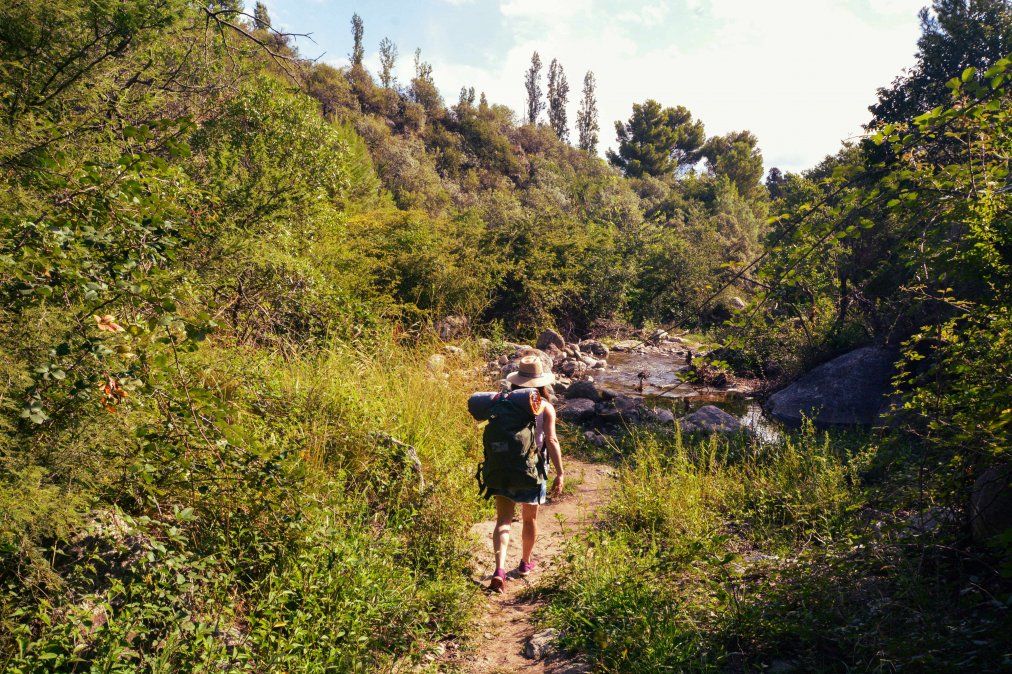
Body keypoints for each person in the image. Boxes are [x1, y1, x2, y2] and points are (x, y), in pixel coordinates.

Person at [488, 354, 564, 593]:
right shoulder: (545, 407)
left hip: (502, 468)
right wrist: (560, 473)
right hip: (533, 471)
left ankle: (499, 569)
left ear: (516, 380)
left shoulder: (501, 402)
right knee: (530, 519)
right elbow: (550, 440)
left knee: (503, 521)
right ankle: (524, 563)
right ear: (541, 383)